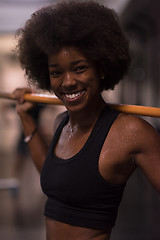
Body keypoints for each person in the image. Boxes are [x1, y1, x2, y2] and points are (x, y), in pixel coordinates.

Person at [12, 1, 160, 239]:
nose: (68, 82)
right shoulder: (61, 121)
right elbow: (57, 179)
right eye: (56, 72)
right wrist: (26, 118)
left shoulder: (130, 132)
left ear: (101, 68)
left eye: (79, 68)